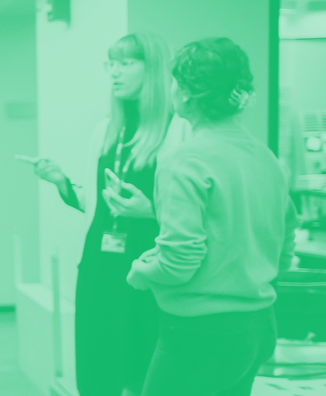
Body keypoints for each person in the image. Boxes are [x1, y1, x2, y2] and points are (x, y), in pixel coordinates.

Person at [15, 33, 192, 396]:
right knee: (98, 368)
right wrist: (62, 182)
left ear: (153, 68)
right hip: (100, 268)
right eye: (110, 64)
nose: (114, 73)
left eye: (126, 64)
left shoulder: (179, 131)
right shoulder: (107, 130)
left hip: (148, 269)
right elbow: (100, 204)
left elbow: (196, 214)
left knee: (144, 370)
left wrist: (151, 211)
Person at [126, 37, 298, 396]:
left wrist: (143, 272)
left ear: (186, 93)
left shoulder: (184, 161)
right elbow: (285, 242)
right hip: (258, 327)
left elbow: (178, 264)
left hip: (199, 335)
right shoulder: (268, 160)